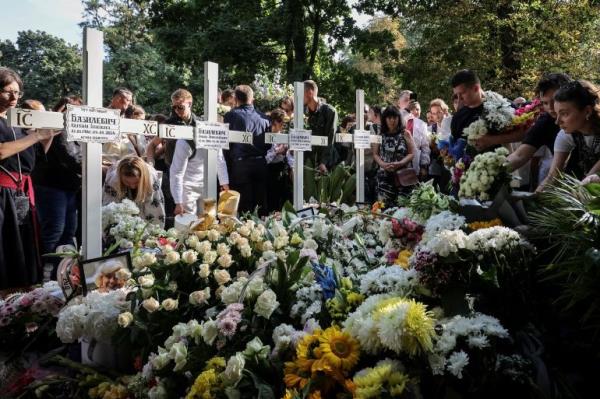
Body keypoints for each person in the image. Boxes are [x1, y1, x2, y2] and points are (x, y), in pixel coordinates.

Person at [0, 67, 59, 289]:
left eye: (17, 92)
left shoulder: (16, 121)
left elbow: (31, 159)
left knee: (21, 252)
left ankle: (17, 303)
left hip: (20, 193)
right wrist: (36, 135)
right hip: (1, 194)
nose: (14, 97)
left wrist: (46, 137)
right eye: (8, 91)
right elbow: (2, 152)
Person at [32, 95, 83, 280]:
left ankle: (64, 274)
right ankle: (50, 275)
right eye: (73, 109)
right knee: (55, 231)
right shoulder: (57, 128)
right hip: (52, 187)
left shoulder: (77, 130)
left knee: (69, 231)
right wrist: (96, 166)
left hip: (69, 188)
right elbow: (70, 157)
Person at [167, 89, 228, 216]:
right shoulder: (175, 130)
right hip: (187, 185)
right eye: (174, 107)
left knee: (208, 220)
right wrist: (178, 201)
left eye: (180, 107)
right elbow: (176, 172)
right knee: (189, 223)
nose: (176, 110)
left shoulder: (207, 129)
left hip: (207, 182)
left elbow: (219, 158)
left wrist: (224, 183)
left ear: (190, 104)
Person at [507, 73, 572, 178]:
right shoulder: (545, 121)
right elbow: (520, 155)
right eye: (545, 103)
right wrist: (491, 172)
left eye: (555, 101)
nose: (551, 108)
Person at [539, 80, 600, 190]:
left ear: (587, 111)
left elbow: (589, 181)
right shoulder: (566, 134)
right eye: (557, 114)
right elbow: (553, 176)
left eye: (564, 114)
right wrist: (533, 198)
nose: (557, 122)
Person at [223, 85, 270, 215]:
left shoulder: (231, 115)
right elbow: (268, 145)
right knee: (260, 204)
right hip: (261, 164)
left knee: (244, 206)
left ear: (236, 99)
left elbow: (226, 144)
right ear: (252, 98)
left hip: (241, 165)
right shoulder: (265, 119)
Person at [103, 156, 165, 226]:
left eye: (136, 182)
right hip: (118, 188)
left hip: (145, 187)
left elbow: (156, 212)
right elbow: (109, 209)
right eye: (127, 182)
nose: (132, 186)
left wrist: (154, 233)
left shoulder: (151, 181)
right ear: (120, 177)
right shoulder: (113, 181)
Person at [372, 106, 416, 204]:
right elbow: (375, 154)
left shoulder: (405, 133)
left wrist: (400, 163)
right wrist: (383, 164)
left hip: (403, 177)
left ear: (399, 118)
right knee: (383, 208)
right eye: (389, 118)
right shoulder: (379, 134)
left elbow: (412, 153)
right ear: (385, 119)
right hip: (384, 177)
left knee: (403, 208)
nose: (392, 120)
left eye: (395, 117)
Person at [304, 80, 338, 174]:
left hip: (325, 164)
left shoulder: (330, 111)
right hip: (307, 163)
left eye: (300, 93)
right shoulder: (302, 112)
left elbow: (330, 139)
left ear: (310, 93)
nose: (297, 97)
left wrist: (323, 162)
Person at [265, 109, 293, 212]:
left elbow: (289, 155)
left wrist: (291, 166)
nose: (283, 125)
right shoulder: (266, 136)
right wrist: (277, 151)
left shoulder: (283, 135)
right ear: (275, 122)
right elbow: (265, 158)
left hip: (282, 170)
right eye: (282, 122)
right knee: (271, 199)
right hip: (270, 171)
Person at [450, 69, 484, 143]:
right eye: (456, 95)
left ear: (476, 88)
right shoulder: (457, 117)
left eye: (462, 93)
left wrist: (493, 140)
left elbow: (515, 135)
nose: (459, 99)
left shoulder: (499, 106)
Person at [406, 101, 431, 178]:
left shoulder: (422, 124)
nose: (416, 111)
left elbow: (425, 146)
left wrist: (424, 166)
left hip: (415, 162)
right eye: (413, 109)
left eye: (418, 109)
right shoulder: (402, 121)